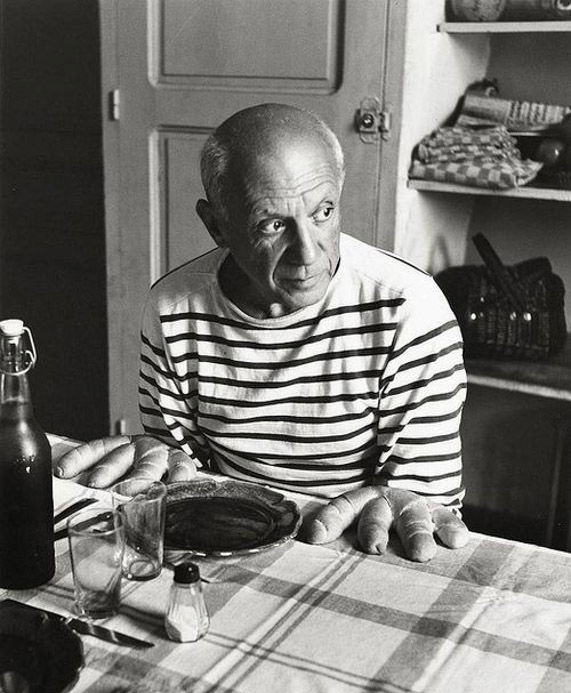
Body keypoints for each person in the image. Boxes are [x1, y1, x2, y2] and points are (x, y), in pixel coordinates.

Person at [57, 103, 469, 561]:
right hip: (232, 538)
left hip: (358, 546)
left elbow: (423, 502)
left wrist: (398, 503)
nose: (307, 253)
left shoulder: (408, 308)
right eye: (273, 224)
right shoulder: (173, 308)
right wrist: (160, 456)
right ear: (217, 226)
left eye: (323, 212)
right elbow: (180, 466)